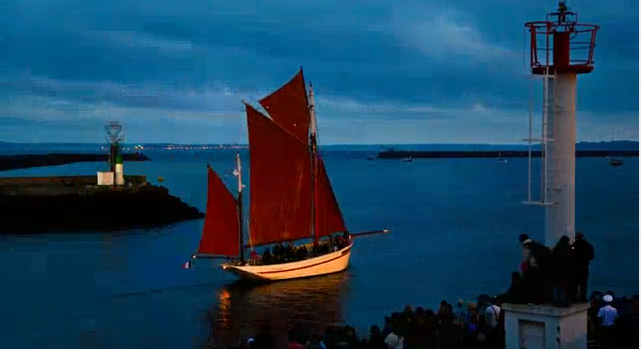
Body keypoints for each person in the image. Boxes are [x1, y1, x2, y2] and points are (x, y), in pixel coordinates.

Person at [572, 231, 594, 302]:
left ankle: (575, 298)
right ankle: (582, 298)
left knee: (576, 284)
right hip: (584, 267)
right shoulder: (588, 245)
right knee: (583, 284)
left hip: (577, 268)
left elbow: (571, 254)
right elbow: (591, 257)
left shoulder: (574, 245)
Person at [552, 236, 574, 306]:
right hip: (567, 270)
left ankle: (557, 301)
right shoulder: (569, 248)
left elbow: (554, 258)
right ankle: (566, 301)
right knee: (567, 287)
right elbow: (573, 253)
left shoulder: (556, 248)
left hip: (557, 270)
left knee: (558, 287)